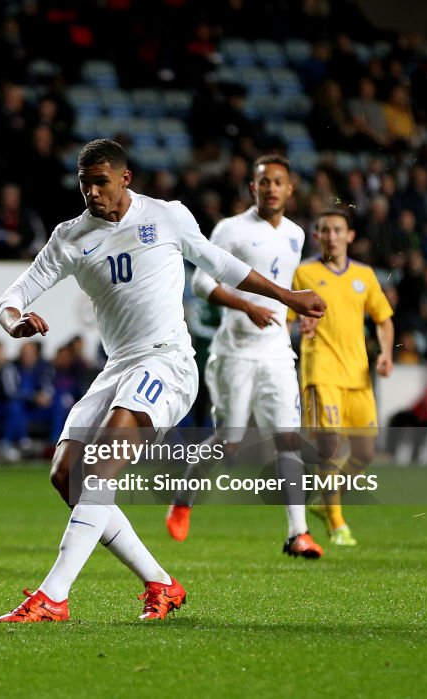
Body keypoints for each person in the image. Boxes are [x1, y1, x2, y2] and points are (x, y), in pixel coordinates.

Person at [0, 139, 325, 623]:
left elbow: (219, 265)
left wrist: (287, 297)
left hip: (167, 363)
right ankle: (161, 583)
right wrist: (14, 320)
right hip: (119, 366)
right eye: (84, 183)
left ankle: (53, 597)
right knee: (67, 475)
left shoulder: (166, 216)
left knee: (102, 463)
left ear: (125, 179)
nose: (91, 192)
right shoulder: (70, 236)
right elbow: (17, 291)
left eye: (100, 181)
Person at [165, 155, 324, 559]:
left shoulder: (296, 235)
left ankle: (297, 533)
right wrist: (245, 306)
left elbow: (286, 287)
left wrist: (300, 319)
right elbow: (200, 284)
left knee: (288, 438)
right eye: (263, 181)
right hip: (234, 352)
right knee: (229, 443)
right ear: (252, 188)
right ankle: (183, 497)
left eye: (278, 182)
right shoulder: (231, 230)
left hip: (276, 353)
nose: (271, 187)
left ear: (290, 189)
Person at [293, 210, 394, 547]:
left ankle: (325, 501)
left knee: (365, 453)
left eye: (338, 230)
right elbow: (287, 314)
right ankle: (337, 523)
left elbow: (382, 319)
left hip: (357, 374)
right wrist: (299, 325)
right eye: (325, 230)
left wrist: (386, 352)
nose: (332, 236)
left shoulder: (364, 275)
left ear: (350, 235)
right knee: (330, 446)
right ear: (316, 236)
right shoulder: (303, 272)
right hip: (320, 370)